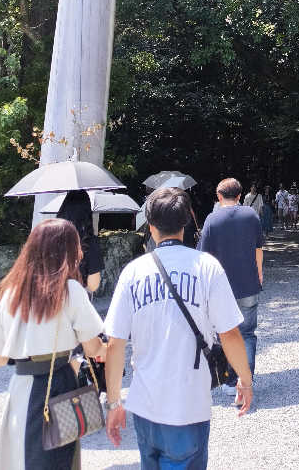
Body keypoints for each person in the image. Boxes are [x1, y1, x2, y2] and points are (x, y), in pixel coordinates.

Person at [103, 186, 253, 469]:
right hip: (188, 405)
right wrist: (244, 379)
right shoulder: (207, 267)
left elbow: (115, 343)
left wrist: (113, 404)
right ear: (187, 222)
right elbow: (230, 333)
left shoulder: (132, 273)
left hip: (145, 405)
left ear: (150, 226)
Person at [0, 218, 106, 470]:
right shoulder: (70, 290)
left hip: (20, 387)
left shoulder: (10, 293)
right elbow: (93, 348)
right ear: (68, 251)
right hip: (58, 384)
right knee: (59, 460)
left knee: (22, 457)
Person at [198, 177, 263, 397]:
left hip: (220, 288)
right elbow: (258, 249)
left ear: (218, 196)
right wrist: (259, 275)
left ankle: (229, 380)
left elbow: (203, 256)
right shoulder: (251, 215)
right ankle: (246, 381)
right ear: (239, 196)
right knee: (247, 333)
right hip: (248, 283)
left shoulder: (212, 220)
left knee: (224, 333)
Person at [57, 188, 102, 292]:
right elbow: (93, 285)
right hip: (77, 300)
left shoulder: (51, 238)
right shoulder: (90, 242)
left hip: (51, 300)